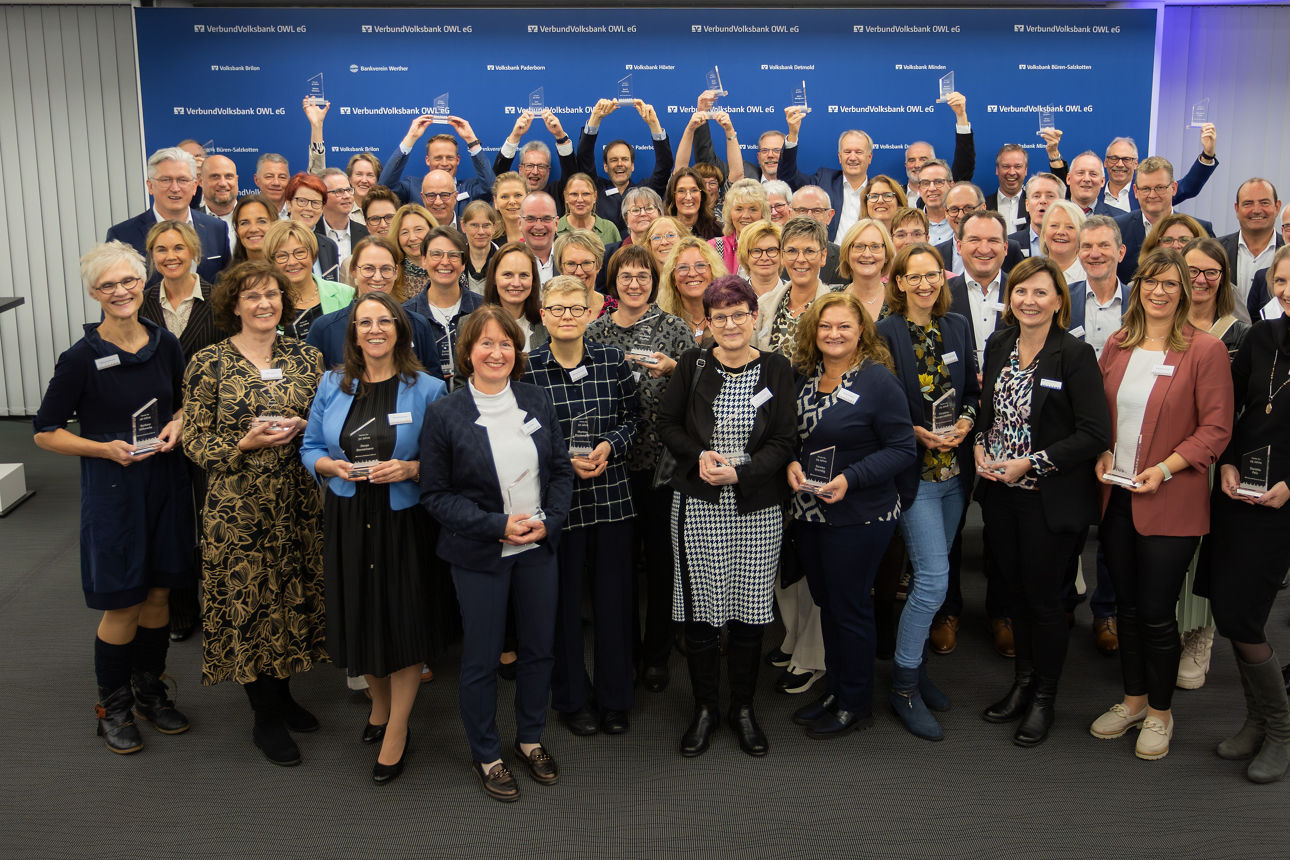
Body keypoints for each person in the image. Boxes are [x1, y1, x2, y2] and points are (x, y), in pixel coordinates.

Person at [33, 241, 194, 753]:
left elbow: (185, 401)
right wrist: (103, 450)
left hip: (165, 482)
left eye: (128, 282)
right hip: (114, 489)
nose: (121, 292)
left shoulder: (164, 343)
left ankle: (150, 690)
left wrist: (178, 424)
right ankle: (113, 706)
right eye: (108, 285)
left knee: (160, 593)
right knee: (124, 600)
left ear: (141, 284)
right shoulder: (80, 358)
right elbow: (45, 432)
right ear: (93, 293)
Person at [420, 304, 574, 802]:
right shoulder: (446, 413)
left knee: (538, 649)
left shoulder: (536, 399)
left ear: (517, 351)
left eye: (505, 343)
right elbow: (436, 495)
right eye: (485, 342)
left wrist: (549, 521)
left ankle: (530, 739)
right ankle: (486, 752)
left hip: (537, 547)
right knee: (483, 658)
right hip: (480, 552)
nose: (496, 351)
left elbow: (560, 471)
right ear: (467, 352)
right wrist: (496, 526)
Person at [182, 260, 328, 767]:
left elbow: (326, 424)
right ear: (234, 305)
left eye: (272, 295)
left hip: (297, 500)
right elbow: (196, 443)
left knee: (290, 597)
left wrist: (305, 423)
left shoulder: (306, 357)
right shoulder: (209, 363)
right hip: (237, 506)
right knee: (250, 602)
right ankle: (263, 714)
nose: (265, 304)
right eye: (252, 296)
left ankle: (283, 693)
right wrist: (241, 443)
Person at [1090, 247, 1233, 761]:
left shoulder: (1204, 350)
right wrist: (1102, 450)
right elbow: (1100, 415)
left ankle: (1160, 713)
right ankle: (1132, 701)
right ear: (1138, 287)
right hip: (1117, 497)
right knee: (1126, 610)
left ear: (1185, 290)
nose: (1158, 291)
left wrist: (1166, 468)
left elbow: (1216, 429)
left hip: (1170, 499)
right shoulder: (1119, 343)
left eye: (1170, 283)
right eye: (1150, 281)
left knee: (1155, 613)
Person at [301, 292, 445, 784]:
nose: (375, 329)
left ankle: (397, 729)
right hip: (347, 514)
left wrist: (410, 468)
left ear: (400, 330)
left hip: (402, 520)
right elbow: (311, 445)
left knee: (401, 620)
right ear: (354, 331)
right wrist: (327, 465)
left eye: (385, 320)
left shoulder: (427, 388)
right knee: (362, 615)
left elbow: (446, 461)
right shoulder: (331, 384)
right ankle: (379, 706)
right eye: (365, 322)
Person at [972, 256, 1111, 746]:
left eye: (1040, 292)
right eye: (1021, 291)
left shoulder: (1074, 355)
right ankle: (1023, 684)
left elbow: (1094, 433)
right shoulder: (998, 344)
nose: (1029, 300)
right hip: (1000, 494)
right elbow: (990, 413)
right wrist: (980, 444)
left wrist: (1031, 463)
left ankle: (1045, 698)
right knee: (1013, 594)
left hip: (1049, 500)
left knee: (1047, 603)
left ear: (1058, 301)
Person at [656, 275, 797, 757]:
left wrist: (743, 474)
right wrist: (699, 455)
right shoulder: (694, 365)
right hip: (698, 505)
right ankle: (704, 709)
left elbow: (784, 439)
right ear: (709, 322)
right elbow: (668, 423)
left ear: (754, 316)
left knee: (750, 614)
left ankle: (741, 708)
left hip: (757, 508)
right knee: (700, 614)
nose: (732, 324)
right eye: (721, 316)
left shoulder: (776, 369)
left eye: (740, 314)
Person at [786, 293, 916, 737]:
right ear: (813, 331)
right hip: (809, 511)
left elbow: (902, 449)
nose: (834, 334)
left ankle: (855, 702)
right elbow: (789, 435)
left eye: (844, 325)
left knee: (851, 608)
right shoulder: (803, 376)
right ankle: (837, 688)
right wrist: (789, 461)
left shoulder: (879, 381)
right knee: (828, 603)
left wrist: (852, 478)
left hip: (860, 514)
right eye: (825, 326)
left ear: (862, 330)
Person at [522, 275, 639, 735]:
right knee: (563, 607)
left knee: (614, 605)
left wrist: (611, 444)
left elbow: (634, 419)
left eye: (576, 308)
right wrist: (562, 460)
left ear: (591, 313)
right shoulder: (526, 370)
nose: (567, 316)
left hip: (612, 498)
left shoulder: (613, 361)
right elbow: (520, 436)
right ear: (543, 314)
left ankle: (615, 697)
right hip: (556, 504)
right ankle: (571, 698)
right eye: (557, 308)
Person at [876, 242, 980, 741]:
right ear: (897, 282)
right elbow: (878, 400)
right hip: (915, 476)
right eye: (912, 277)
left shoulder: (957, 326)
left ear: (943, 277)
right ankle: (902, 685)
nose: (923, 284)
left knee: (928, 579)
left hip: (955, 474)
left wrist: (966, 420)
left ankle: (914, 670)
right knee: (934, 583)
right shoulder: (884, 332)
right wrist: (912, 431)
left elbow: (974, 393)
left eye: (932, 275)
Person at [1198, 244, 1290, 783]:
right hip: (1237, 495)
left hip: (1280, 503)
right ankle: (1256, 721)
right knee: (1230, 610)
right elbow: (1230, 413)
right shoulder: (1261, 339)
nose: (1285, 292)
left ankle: (1279, 729)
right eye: (1280, 281)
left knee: (1248, 616)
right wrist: (1228, 464)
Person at [586, 245, 695, 693]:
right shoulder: (595, 333)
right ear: (613, 283)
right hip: (611, 466)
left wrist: (674, 370)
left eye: (643, 277)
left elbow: (699, 391)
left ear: (655, 281)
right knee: (619, 566)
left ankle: (657, 654)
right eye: (626, 276)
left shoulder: (675, 329)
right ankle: (624, 651)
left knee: (665, 562)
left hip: (663, 467)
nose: (635, 284)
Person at [1170, 237, 1250, 690]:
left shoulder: (1239, 334)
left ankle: (1199, 636)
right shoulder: (1163, 321)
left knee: (1204, 550)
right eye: (1192, 271)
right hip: (1162, 455)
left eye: (1211, 273)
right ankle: (1165, 628)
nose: (1200, 280)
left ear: (1223, 279)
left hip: (1213, 459)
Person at [141, 220, 226, 641]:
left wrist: (189, 412)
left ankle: (222, 609)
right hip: (155, 427)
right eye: (161, 250)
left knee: (213, 518)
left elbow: (231, 364)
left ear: (193, 249)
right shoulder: (138, 302)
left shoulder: (219, 299)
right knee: (171, 522)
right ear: (151, 256)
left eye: (178, 247)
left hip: (210, 424)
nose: (170, 256)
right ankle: (180, 609)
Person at [305, 235, 444, 376]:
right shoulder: (324, 329)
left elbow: (434, 386)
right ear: (353, 271)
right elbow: (312, 386)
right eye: (368, 269)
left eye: (386, 269)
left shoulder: (417, 325)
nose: (377, 277)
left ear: (396, 272)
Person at [106, 147, 231, 283]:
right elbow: (113, 297)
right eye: (165, 180)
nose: (175, 188)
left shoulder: (216, 228)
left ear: (195, 186)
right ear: (150, 186)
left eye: (183, 180)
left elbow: (226, 287)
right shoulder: (122, 236)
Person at [403, 226, 484, 389]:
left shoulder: (484, 309)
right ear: (424, 260)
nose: (445, 262)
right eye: (436, 254)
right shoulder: (406, 315)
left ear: (463, 264)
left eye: (453, 255)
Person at [575, 98, 675, 231]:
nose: (620, 164)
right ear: (605, 166)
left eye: (624, 159)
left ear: (632, 165)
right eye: (614, 160)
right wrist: (595, 119)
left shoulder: (646, 190)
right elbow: (584, 156)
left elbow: (665, 165)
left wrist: (654, 125)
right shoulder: (595, 189)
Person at [379, 114, 496, 214]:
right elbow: (385, 187)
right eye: (438, 158)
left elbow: (492, 189)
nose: (444, 163)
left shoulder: (470, 188)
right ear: (427, 160)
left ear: (458, 160)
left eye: (449, 157)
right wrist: (410, 138)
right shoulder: (412, 187)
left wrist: (472, 140)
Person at [262, 219, 354, 340]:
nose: (292, 262)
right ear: (272, 261)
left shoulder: (346, 295)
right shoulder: (265, 303)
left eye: (300, 252)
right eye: (282, 256)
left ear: (313, 254)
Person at [1219, 178, 1284, 311]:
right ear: (1236, 209)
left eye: (1264, 203)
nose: (1256, 210)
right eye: (1248, 203)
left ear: (1277, 207)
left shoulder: (1287, 251)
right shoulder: (1217, 249)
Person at [657, 235, 727, 343]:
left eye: (700, 265)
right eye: (683, 267)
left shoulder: (730, 318)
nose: (692, 273)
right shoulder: (660, 322)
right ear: (673, 278)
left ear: (713, 272)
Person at [483, 242, 547, 351]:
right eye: (508, 275)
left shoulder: (547, 324)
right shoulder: (470, 324)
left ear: (533, 279)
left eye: (523, 275)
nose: (516, 283)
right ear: (494, 278)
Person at [283, 172, 341, 281]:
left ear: (322, 208)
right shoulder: (275, 242)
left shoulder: (329, 246)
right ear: (289, 204)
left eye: (315, 203)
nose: (309, 208)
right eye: (302, 201)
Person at [836, 218, 895, 324]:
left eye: (875, 246)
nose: (867, 254)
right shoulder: (831, 299)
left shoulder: (900, 299)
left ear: (886, 255)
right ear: (847, 253)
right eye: (859, 246)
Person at [709, 179, 770, 274]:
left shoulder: (773, 247)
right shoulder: (714, 248)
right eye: (739, 209)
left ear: (763, 213)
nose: (745, 215)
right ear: (730, 213)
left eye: (753, 209)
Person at [553, 229, 611, 317]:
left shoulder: (615, 309)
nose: (579, 272)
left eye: (586, 263)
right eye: (571, 264)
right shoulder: (549, 310)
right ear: (560, 267)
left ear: (599, 265)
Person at [390, 203, 439, 299]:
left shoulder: (449, 268)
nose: (412, 238)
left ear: (432, 230)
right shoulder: (391, 275)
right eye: (404, 232)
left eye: (418, 229)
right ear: (397, 238)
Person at [558, 173, 621, 247]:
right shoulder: (554, 229)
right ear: (566, 197)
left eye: (586, 194)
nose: (580, 200)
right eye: (574, 194)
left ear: (595, 196)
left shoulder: (609, 229)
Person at [665, 167, 722, 241]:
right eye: (681, 191)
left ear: (702, 195)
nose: (688, 197)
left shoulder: (717, 231)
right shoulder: (662, 230)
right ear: (673, 196)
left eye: (694, 190)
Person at [1039, 200, 1087, 285]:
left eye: (1070, 227)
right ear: (1043, 233)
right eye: (1054, 225)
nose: (1061, 232)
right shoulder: (1031, 274)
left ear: (1082, 235)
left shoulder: (1090, 277)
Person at [461, 200, 500, 295]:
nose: (481, 232)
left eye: (486, 225)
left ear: (494, 227)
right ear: (463, 226)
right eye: (474, 225)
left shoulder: (504, 260)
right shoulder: (456, 260)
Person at [738, 219, 785, 298]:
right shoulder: (731, 297)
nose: (764, 258)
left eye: (771, 250)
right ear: (745, 255)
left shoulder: (796, 293)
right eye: (756, 251)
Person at [1139, 212, 1206, 264]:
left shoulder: (1208, 280)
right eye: (1167, 240)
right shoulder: (1142, 282)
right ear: (1155, 245)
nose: (1175, 246)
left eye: (1184, 240)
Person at [231, 194, 277, 264]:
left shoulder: (290, 271)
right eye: (244, 223)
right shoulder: (228, 274)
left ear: (275, 225)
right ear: (237, 230)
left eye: (262, 221)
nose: (253, 229)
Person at [492, 172, 527, 245]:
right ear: (495, 202)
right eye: (504, 197)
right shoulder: (489, 241)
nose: (512, 201)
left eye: (518, 195)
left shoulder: (543, 235)